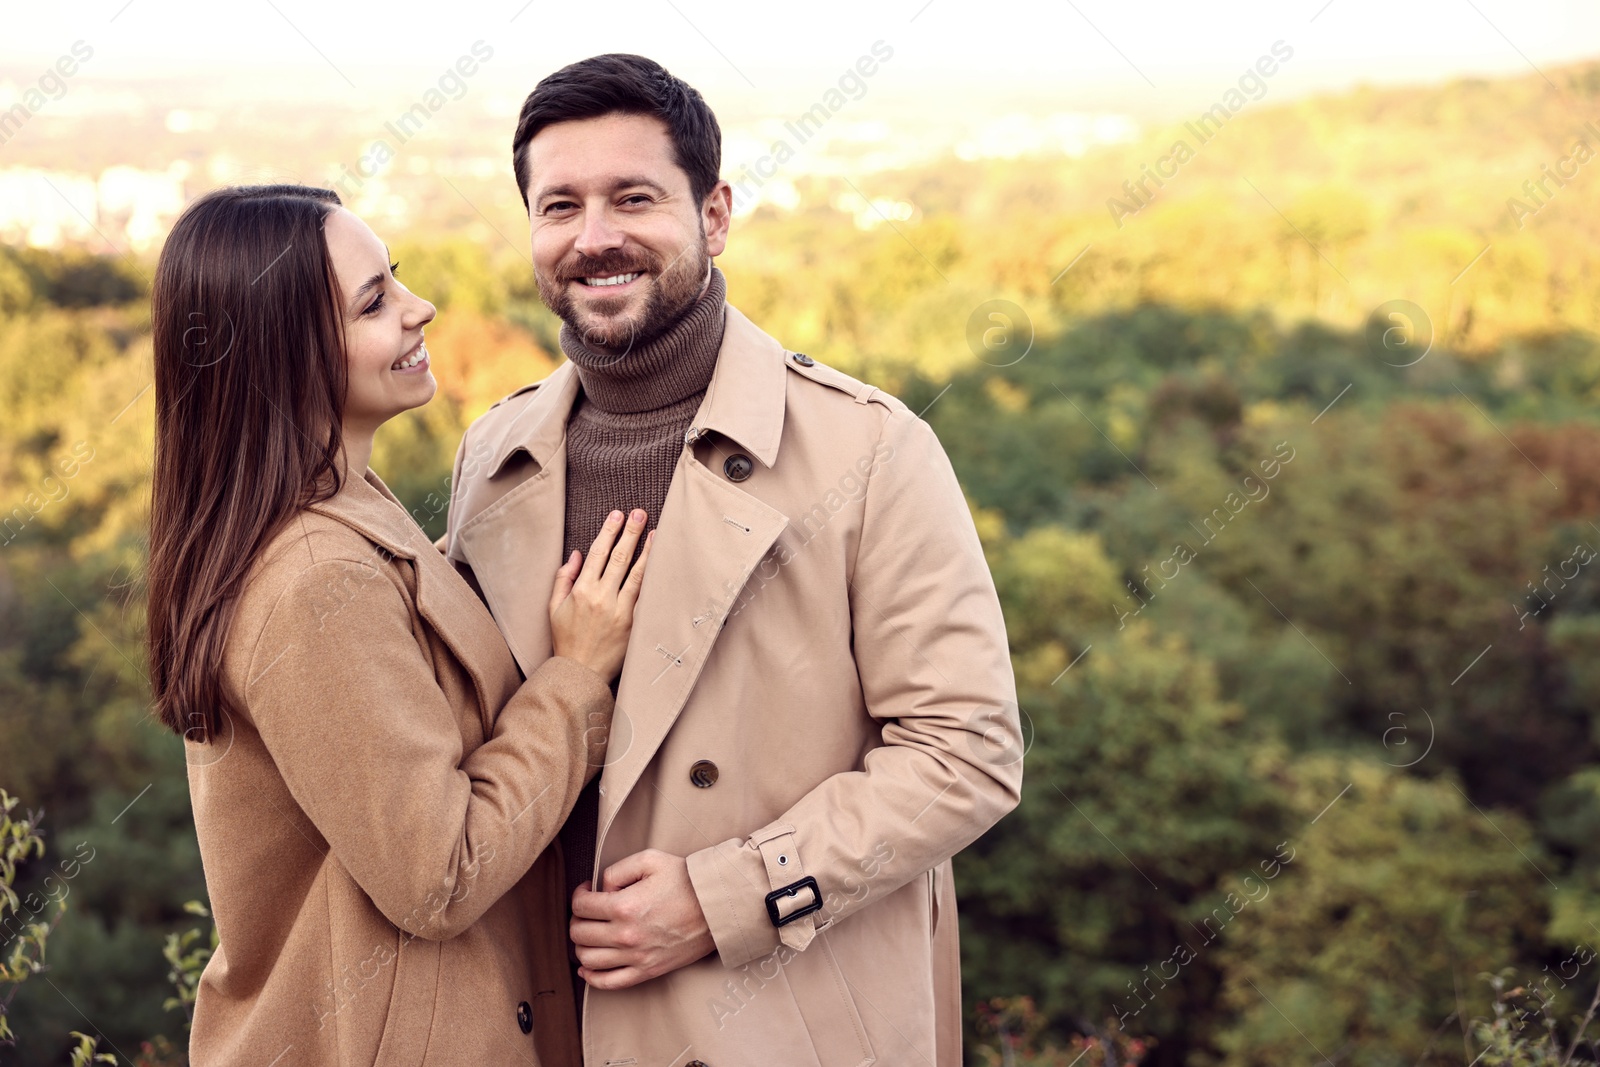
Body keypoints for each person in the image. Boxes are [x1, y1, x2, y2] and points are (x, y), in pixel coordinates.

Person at [443, 56, 1023, 1065]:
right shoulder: (492, 457)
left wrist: (728, 895)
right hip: (538, 1027)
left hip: (777, 1022)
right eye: (560, 206)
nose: (594, 237)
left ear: (713, 216)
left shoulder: (868, 450)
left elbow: (966, 748)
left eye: (634, 198)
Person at [145, 183, 649, 1066]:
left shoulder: (346, 510)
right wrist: (576, 677)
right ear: (281, 354)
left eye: (397, 281)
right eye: (374, 303)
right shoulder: (314, 581)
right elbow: (439, 874)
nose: (420, 311)